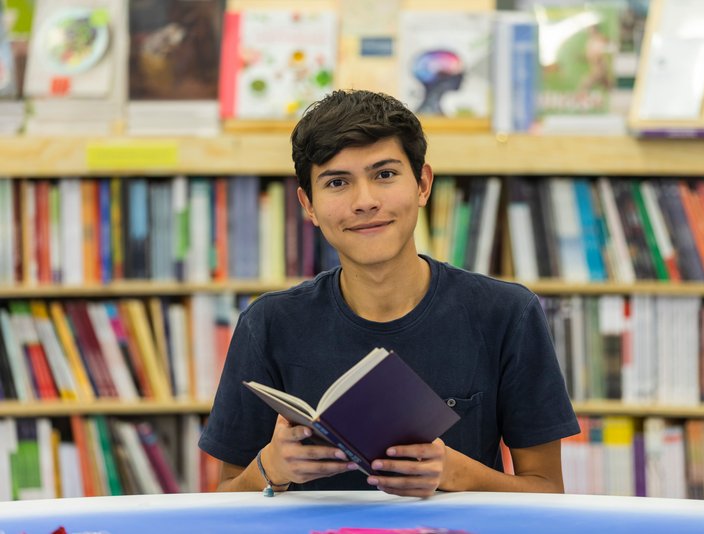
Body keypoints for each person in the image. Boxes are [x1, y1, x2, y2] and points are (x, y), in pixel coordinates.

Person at [198, 89, 579, 497]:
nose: (365, 202)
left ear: (422, 184)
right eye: (337, 182)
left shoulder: (506, 313)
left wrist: (456, 473)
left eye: (384, 175)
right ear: (308, 205)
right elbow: (227, 498)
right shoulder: (268, 324)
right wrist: (271, 468)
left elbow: (546, 493)